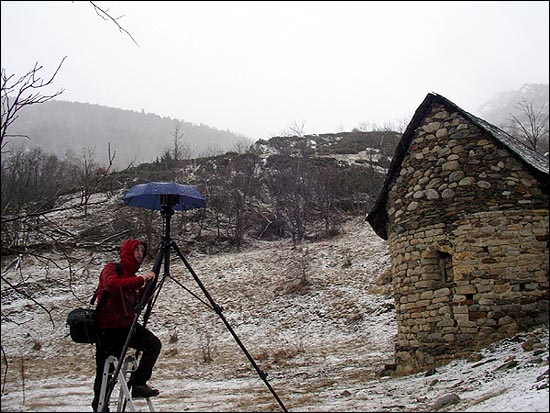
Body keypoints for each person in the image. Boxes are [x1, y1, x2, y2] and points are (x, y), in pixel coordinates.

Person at [91, 239, 162, 412]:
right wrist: (140, 280)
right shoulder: (112, 268)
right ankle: (100, 406)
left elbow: (135, 303)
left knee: (153, 345)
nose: (139, 253)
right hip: (107, 329)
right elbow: (112, 285)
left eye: (142, 250)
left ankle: (138, 383)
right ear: (127, 251)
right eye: (136, 249)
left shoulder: (134, 276)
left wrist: (148, 287)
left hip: (127, 325)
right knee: (106, 373)